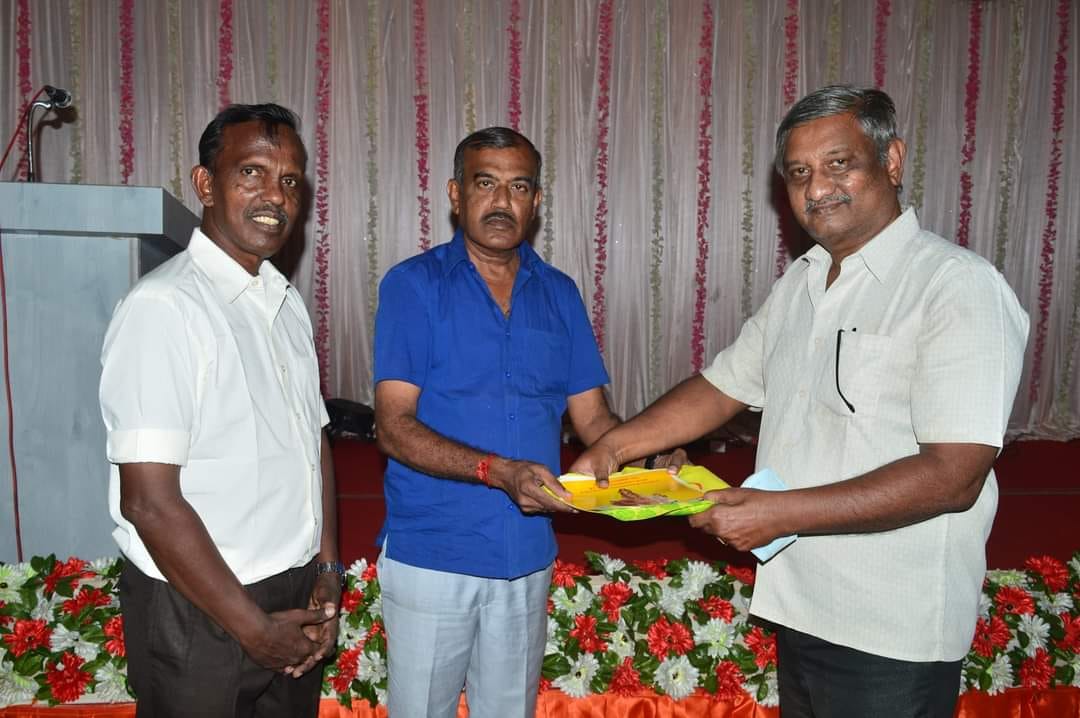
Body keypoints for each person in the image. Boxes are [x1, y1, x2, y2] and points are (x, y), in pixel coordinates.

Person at [570, 85, 1029, 718]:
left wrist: (779, 514)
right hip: (802, 608)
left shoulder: (957, 287)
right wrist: (613, 447)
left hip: (891, 630)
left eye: (840, 164)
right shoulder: (803, 279)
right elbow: (722, 386)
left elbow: (954, 476)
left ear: (892, 161)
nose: (818, 189)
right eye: (799, 173)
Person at [99, 103, 341, 717]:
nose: (276, 196)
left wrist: (327, 569)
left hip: (294, 594)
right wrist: (252, 627)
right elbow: (149, 502)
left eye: (290, 180)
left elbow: (312, 443)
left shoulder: (284, 302)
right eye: (252, 172)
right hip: (199, 607)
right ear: (205, 184)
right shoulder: (165, 309)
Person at [372, 127, 621, 717]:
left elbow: (595, 420)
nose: (502, 201)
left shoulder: (559, 294)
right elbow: (393, 426)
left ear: (536, 201)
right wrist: (496, 471)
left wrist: (657, 454)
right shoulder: (413, 286)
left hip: (526, 555)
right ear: (456, 194)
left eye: (519, 187)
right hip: (433, 553)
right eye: (486, 184)